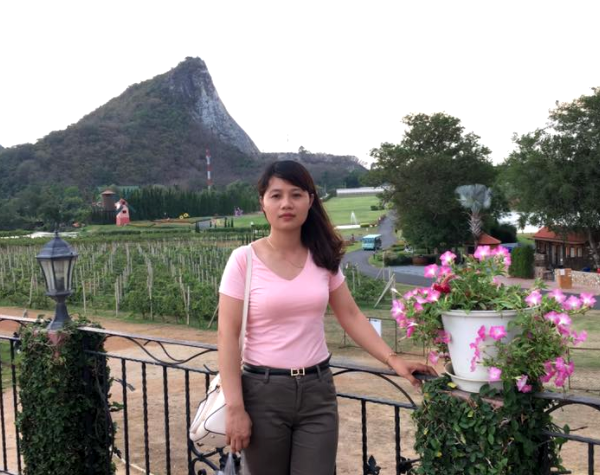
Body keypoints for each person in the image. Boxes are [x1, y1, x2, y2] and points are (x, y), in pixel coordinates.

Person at [217, 160, 436, 475]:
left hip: (317, 392)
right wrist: (235, 408)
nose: (286, 203)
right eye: (276, 195)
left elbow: (350, 315)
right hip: (263, 393)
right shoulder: (244, 260)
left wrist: (393, 359)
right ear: (262, 203)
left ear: (310, 200)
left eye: (296, 194)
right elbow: (227, 335)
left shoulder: (322, 257)